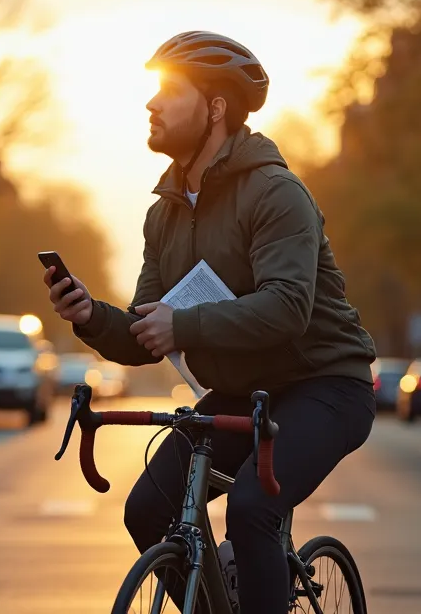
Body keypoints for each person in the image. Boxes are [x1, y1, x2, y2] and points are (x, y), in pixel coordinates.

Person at [43, 31, 378, 614]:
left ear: (216, 107)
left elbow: (288, 307)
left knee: (252, 508)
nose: (151, 104)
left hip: (325, 385)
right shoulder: (164, 214)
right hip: (245, 391)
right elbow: (149, 331)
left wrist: (187, 326)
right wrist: (91, 316)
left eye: (170, 91)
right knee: (146, 508)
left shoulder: (276, 193)